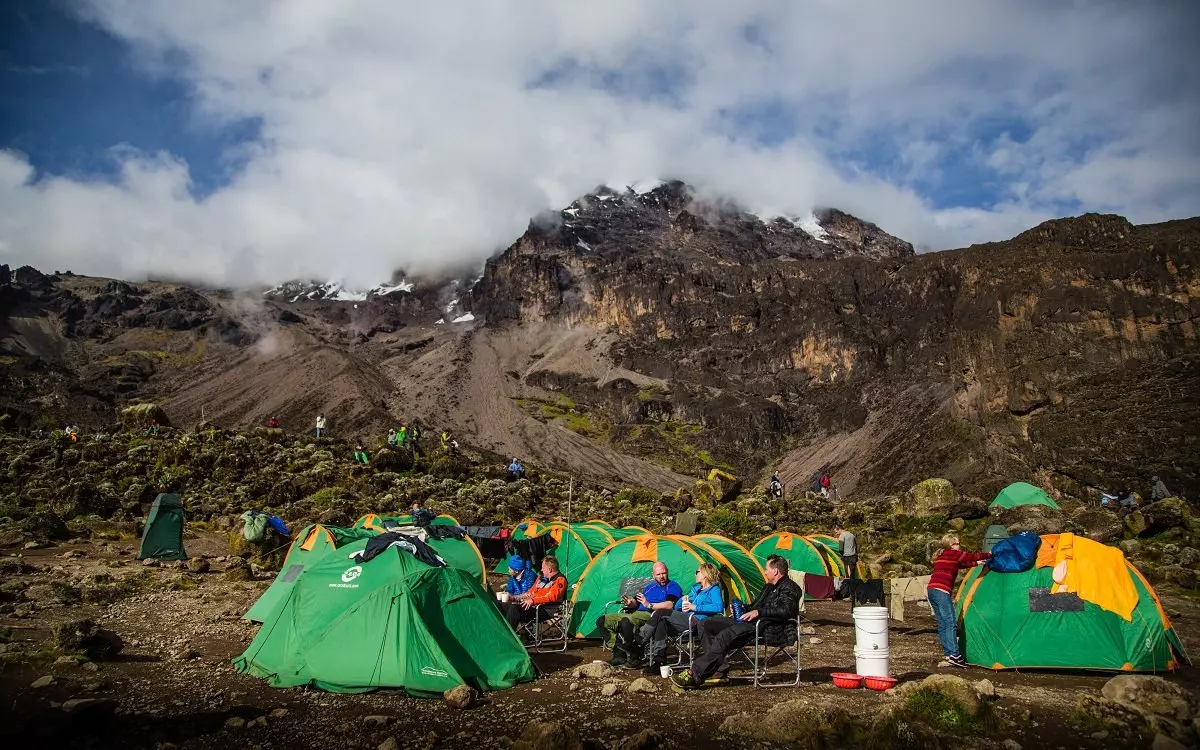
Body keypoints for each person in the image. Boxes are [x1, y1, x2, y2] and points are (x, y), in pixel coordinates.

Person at [672, 555, 801, 690]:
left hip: (766, 627)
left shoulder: (790, 587)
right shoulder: (769, 587)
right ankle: (719, 669)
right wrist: (743, 608)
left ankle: (695, 674)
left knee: (724, 636)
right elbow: (755, 606)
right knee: (705, 624)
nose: (764, 572)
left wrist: (759, 612)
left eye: (766, 569)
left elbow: (786, 611)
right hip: (749, 622)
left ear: (775, 571)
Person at [597, 562, 682, 668]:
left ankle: (635, 657)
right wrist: (630, 603)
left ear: (667, 572)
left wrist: (649, 605)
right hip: (635, 613)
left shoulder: (673, 586)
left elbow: (669, 605)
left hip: (653, 616)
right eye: (658, 574)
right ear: (653, 575)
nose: (661, 577)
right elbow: (636, 602)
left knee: (626, 621)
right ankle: (618, 652)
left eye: (663, 573)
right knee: (602, 621)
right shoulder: (649, 587)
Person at [641, 563, 724, 671]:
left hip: (698, 622)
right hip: (686, 619)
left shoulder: (714, 589)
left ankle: (639, 641)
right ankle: (659, 661)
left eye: (697, 572)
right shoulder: (696, 589)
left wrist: (695, 607)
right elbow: (677, 607)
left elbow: (719, 607)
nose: (695, 574)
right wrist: (683, 601)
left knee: (661, 612)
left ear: (704, 574)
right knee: (661, 623)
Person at [927, 534, 990, 668]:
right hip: (941, 591)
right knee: (950, 622)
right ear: (951, 545)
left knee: (943, 623)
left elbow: (959, 564)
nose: (959, 545)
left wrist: (976, 564)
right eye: (957, 543)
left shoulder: (943, 555)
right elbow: (972, 556)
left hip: (932, 590)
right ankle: (954, 654)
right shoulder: (954, 554)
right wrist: (989, 554)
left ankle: (949, 654)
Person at [502, 555, 567, 631]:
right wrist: (513, 598)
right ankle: (502, 632)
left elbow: (552, 596)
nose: (541, 570)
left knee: (515, 609)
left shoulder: (560, 580)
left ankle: (508, 634)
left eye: (543, 568)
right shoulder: (541, 578)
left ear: (549, 569)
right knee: (502, 605)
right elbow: (530, 593)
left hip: (545, 610)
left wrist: (533, 601)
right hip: (533, 607)